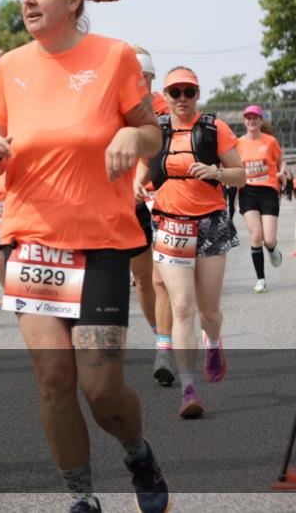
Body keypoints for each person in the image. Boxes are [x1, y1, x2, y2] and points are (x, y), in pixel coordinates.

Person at [0, 0, 172, 513]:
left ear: (73, 0)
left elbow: (151, 132)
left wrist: (132, 139)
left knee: (101, 388)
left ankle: (137, 454)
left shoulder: (114, 57)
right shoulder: (11, 67)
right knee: (54, 380)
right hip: (34, 245)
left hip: (101, 246)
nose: (28, 0)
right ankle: (81, 496)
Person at [141, 67, 245, 419]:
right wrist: (138, 186)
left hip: (211, 224)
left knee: (208, 312)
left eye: (188, 92)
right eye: (175, 92)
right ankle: (188, 388)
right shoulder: (156, 130)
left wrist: (216, 172)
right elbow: (145, 170)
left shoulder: (215, 129)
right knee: (183, 307)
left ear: (197, 94)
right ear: (166, 95)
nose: (182, 98)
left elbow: (241, 175)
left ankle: (213, 341)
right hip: (170, 224)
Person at [129, 46, 177, 387]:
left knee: (162, 280)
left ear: (150, 77)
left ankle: (166, 346)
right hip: (129, 201)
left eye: (143, 76)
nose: (137, 82)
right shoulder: (115, 106)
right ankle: (161, 337)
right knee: (144, 280)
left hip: (163, 199)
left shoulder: (166, 107)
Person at [235, 105, 284, 293]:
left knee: (269, 239)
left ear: (261, 120)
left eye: (255, 117)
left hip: (268, 191)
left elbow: (280, 160)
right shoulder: (238, 144)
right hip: (247, 192)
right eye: (248, 118)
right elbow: (232, 166)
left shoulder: (270, 141)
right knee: (256, 236)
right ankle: (261, 279)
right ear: (244, 121)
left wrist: (281, 171)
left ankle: (272, 249)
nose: (252, 121)